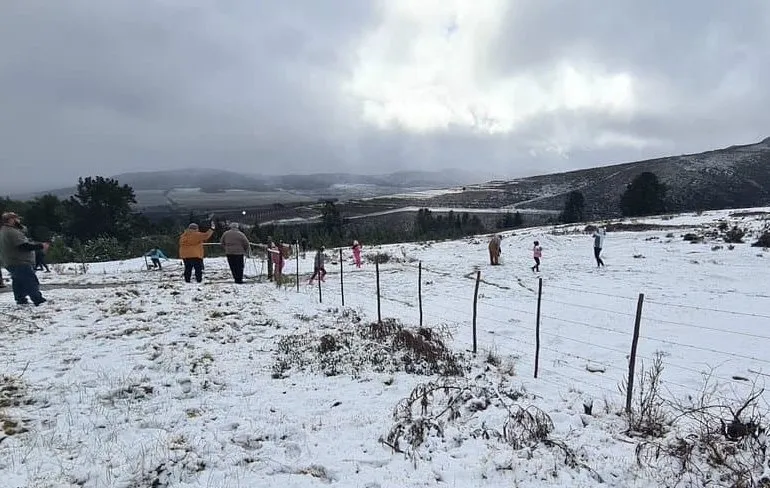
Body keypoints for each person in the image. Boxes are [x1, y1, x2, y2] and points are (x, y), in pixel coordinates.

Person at [0, 212, 47, 305]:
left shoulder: (4, 231)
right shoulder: (12, 232)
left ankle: (20, 299)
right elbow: (23, 246)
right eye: (16, 219)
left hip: (11, 261)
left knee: (18, 281)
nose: (19, 220)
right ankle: (38, 300)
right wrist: (40, 246)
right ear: (10, 220)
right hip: (19, 261)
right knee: (30, 281)